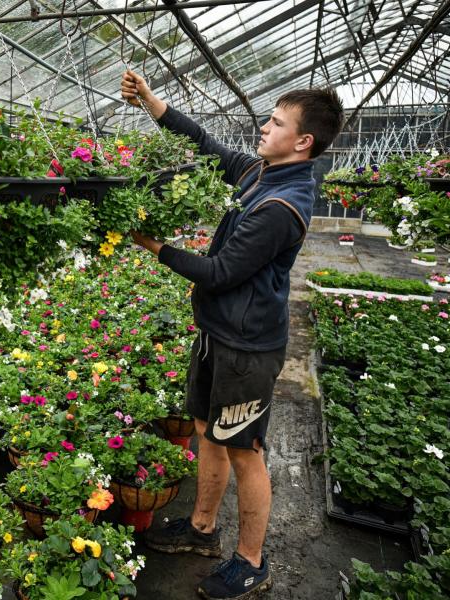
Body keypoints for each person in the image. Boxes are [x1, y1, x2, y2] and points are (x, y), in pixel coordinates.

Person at [120, 70, 344, 600]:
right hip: (218, 334)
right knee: (207, 431)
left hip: (247, 349)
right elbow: (206, 144)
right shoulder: (262, 174)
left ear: (303, 141)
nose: (263, 129)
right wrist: (153, 102)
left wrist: (151, 245)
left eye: (275, 122)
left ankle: (251, 562)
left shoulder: (282, 207)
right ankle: (201, 529)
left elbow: (218, 272)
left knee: (244, 449)